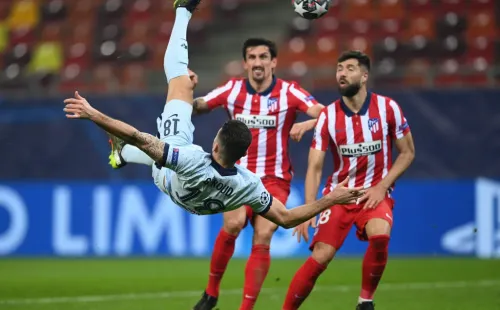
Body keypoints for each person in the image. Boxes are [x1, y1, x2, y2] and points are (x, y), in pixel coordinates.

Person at [62, 1, 364, 241]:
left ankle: (183, 9)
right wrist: (332, 198)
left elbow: (139, 136)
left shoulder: (191, 158)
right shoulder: (248, 184)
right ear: (242, 157)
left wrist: (93, 115)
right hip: (194, 203)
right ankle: (122, 154)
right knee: (145, 140)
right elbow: (287, 218)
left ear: (216, 143)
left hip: (170, 178)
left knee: (178, 83)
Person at [189, 37, 324, 310]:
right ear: (245, 63)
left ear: (274, 62)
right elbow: (200, 106)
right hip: (236, 174)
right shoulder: (232, 90)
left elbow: (325, 112)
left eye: (264, 57)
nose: (258, 62)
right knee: (233, 224)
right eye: (252, 57)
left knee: (263, 235)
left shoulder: (289, 92)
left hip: (275, 179)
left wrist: (309, 122)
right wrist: (184, 91)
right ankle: (211, 293)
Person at [282, 50, 415, 310]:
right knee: (321, 256)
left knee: (380, 235)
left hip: (375, 191)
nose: (342, 73)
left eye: (350, 68)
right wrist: (310, 206)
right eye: (339, 68)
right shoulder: (328, 116)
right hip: (339, 195)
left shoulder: (388, 108)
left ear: (364, 76)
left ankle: (365, 301)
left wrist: (381, 186)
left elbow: (408, 152)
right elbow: (315, 166)